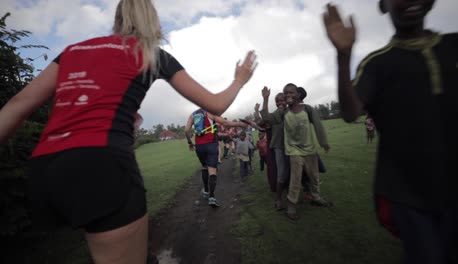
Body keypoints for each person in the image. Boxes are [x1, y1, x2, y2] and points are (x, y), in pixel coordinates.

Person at [0, 0, 257, 262]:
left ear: (118, 19)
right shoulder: (151, 54)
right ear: (153, 22)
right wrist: (239, 79)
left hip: (45, 168)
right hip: (103, 163)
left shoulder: (71, 51)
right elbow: (216, 104)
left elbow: (18, 105)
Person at [323, 1, 458, 263]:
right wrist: (343, 57)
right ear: (384, 6)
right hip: (407, 194)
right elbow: (350, 111)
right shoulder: (377, 64)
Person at [261, 84, 332, 220]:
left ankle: (316, 197)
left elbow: (318, 125)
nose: (288, 95)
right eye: (285, 93)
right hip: (293, 150)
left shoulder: (308, 109)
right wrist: (265, 99)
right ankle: (291, 206)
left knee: (314, 176)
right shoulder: (283, 112)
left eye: (291, 92)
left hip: (309, 149)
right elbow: (267, 118)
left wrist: (323, 142)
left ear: (298, 95)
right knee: (295, 177)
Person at [184, 110, 247, 208]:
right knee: (212, 170)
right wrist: (239, 124)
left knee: (204, 167)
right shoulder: (210, 113)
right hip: (211, 145)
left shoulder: (193, 114)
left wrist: (189, 142)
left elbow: (186, 131)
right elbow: (225, 122)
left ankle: (205, 190)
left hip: (199, 146)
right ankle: (212, 197)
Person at [258, 90, 289, 210]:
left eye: (282, 100)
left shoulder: (291, 112)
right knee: (281, 173)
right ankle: (279, 198)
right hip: (279, 147)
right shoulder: (276, 114)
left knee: (296, 170)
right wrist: (265, 99)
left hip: (293, 146)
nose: (280, 103)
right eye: (278, 101)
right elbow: (265, 117)